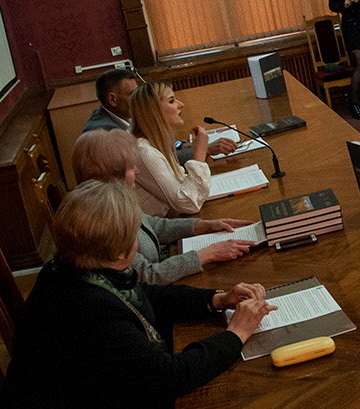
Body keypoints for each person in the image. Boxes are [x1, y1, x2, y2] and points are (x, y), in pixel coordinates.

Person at [0, 180, 276, 409]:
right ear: (121, 252)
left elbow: (147, 294)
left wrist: (216, 299)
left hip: (84, 407)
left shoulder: (71, 268)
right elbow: (167, 377)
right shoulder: (90, 310)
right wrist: (235, 334)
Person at [73, 129, 253, 285]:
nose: (137, 171)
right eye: (130, 167)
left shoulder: (117, 200)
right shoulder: (105, 221)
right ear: (112, 176)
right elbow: (148, 276)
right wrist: (207, 254)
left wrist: (203, 226)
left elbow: (154, 226)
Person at [82, 69, 235, 161]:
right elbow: (152, 162)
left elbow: (156, 145)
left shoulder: (125, 113)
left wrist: (180, 145)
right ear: (112, 99)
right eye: (133, 94)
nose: (139, 99)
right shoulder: (104, 133)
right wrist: (203, 150)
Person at [129, 82, 212, 218]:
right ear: (153, 110)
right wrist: (200, 153)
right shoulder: (145, 152)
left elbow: (180, 181)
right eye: (172, 101)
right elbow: (188, 204)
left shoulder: (156, 142)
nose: (181, 104)